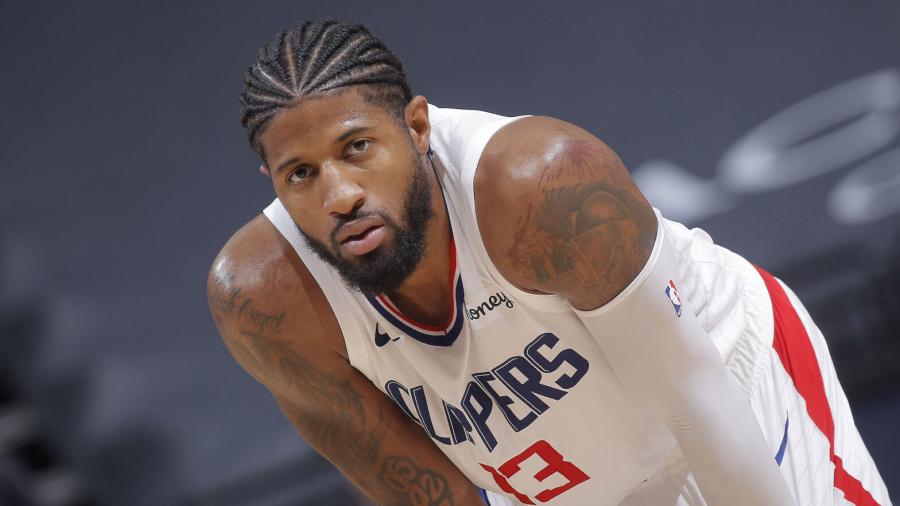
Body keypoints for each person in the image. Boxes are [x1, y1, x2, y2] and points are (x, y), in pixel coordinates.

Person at [207, 20, 891, 506]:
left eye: (358, 147)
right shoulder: (267, 303)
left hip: (728, 393)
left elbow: (695, 402)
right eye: (300, 174)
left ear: (417, 127)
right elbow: (425, 494)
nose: (339, 195)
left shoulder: (537, 186)